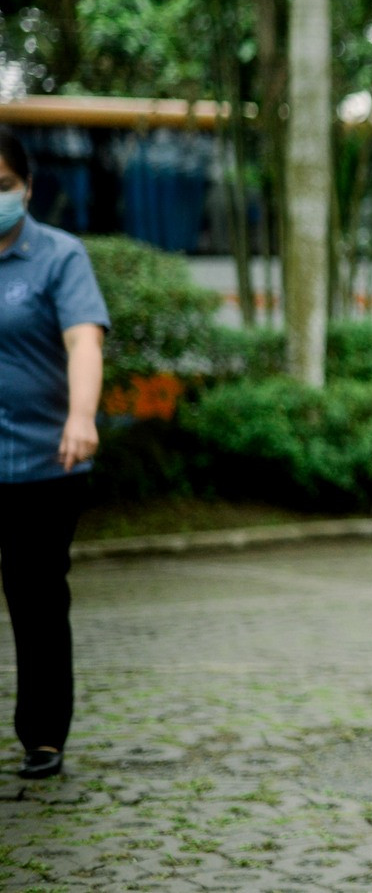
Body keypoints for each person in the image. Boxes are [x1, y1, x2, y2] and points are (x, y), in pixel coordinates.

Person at [0, 127, 110, 781]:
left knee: (35, 595)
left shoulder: (59, 257)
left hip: (47, 461)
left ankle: (42, 735)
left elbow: (84, 342)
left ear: (27, 187)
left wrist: (80, 415)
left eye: (3, 186)